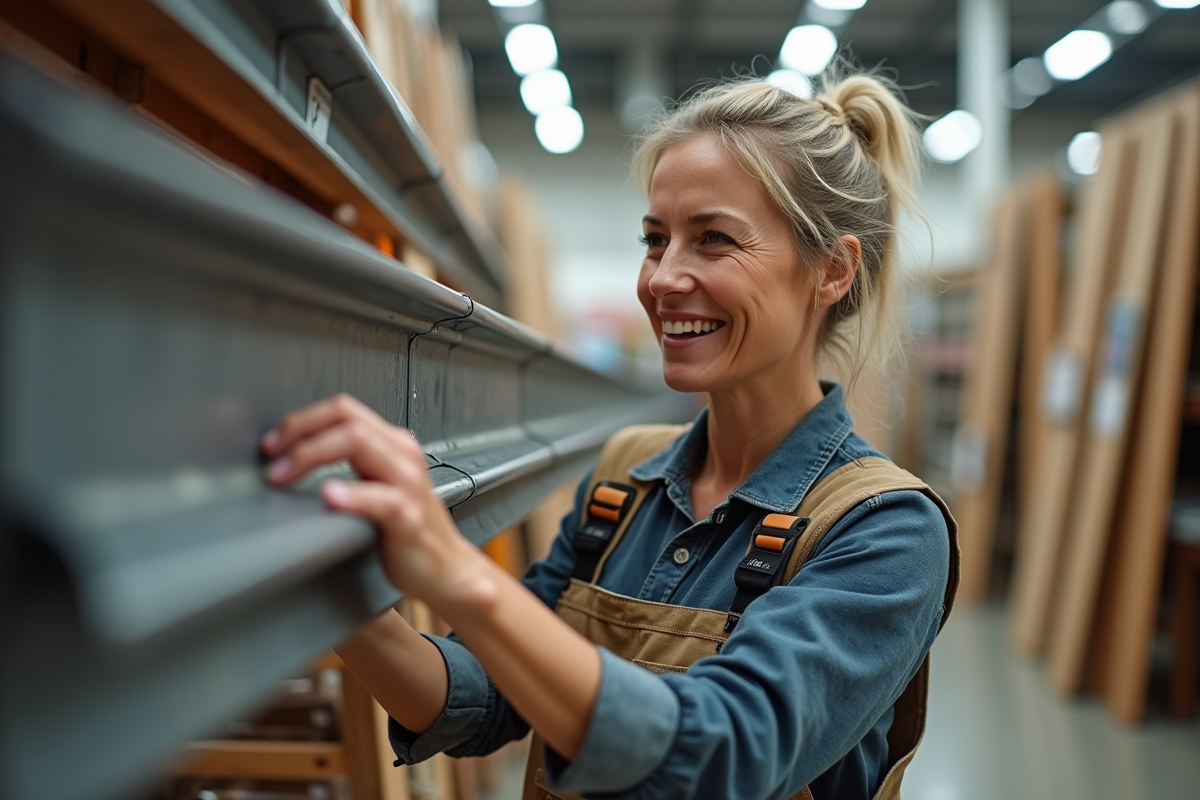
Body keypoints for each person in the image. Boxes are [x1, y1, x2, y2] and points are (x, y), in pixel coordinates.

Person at [261, 68, 958, 800]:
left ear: (831, 271)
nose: (662, 278)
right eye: (656, 240)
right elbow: (482, 697)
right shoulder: (627, 481)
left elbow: (724, 755)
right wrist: (336, 592)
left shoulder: (889, 534)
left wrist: (453, 573)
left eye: (714, 239)